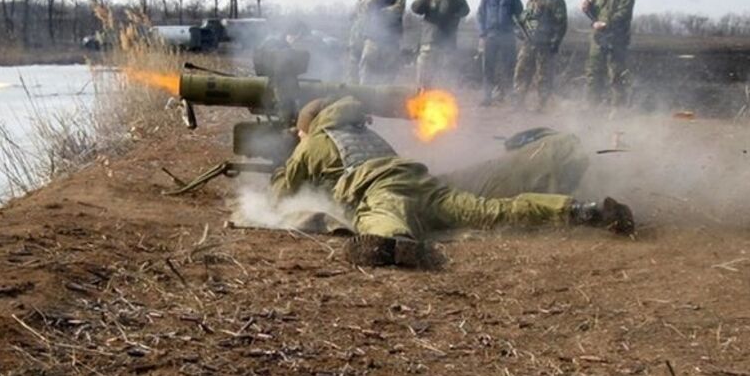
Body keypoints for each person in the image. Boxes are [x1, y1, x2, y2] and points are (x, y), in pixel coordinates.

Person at [270, 96, 635, 268]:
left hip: (382, 191)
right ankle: (580, 211)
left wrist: (282, 166)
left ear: (310, 126)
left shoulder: (316, 141)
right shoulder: (368, 134)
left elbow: (283, 194)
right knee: (490, 211)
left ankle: (401, 246)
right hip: (423, 182)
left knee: (378, 233)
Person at [581, 0, 635, 107]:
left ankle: (618, 109)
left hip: (616, 39)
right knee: (593, 73)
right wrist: (587, 8)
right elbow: (595, 13)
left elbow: (624, 13)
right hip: (598, 39)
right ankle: (591, 107)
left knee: (616, 74)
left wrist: (607, 24)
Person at [513, 0, 568, 110]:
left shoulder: (556, 2)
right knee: (521, 72)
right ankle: (519, 102)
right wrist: (520, 32)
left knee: (543, 76)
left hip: (546, 44)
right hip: (529, 43)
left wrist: (555, 42)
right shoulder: (531, 2)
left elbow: (561, 24)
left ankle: (541, 105)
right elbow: (524, 20)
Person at [411, 0, 470, 88]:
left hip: (447, 46)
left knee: (444, 79)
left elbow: (465, 11)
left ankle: (441, 102)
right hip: (428, 44)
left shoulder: (457, 0)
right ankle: (422, 101)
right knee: (423, 78)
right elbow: (415, 8)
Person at [476, 0, 523, 106]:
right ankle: (487, 97)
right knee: (488, 67)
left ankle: (508, 96)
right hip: (490, 36)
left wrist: (519, 30)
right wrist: (482, 33)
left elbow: (520, 15)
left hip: (507, 36)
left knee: (509, 67)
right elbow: (480, 15)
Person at [359, 0, 406, 85]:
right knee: (366, 71)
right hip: (372, 41)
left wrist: (379, 12)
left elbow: (397, 10)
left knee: (389, 74)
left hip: (391, 42)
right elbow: (364, 8)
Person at [346, 0, 372, 84]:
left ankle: (363, 87)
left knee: (364, 66)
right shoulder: (358, 3)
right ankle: (353, 86)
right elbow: (350, 16)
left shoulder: (371, 1)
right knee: (352, 66)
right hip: (355, 40)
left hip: (366, 40)